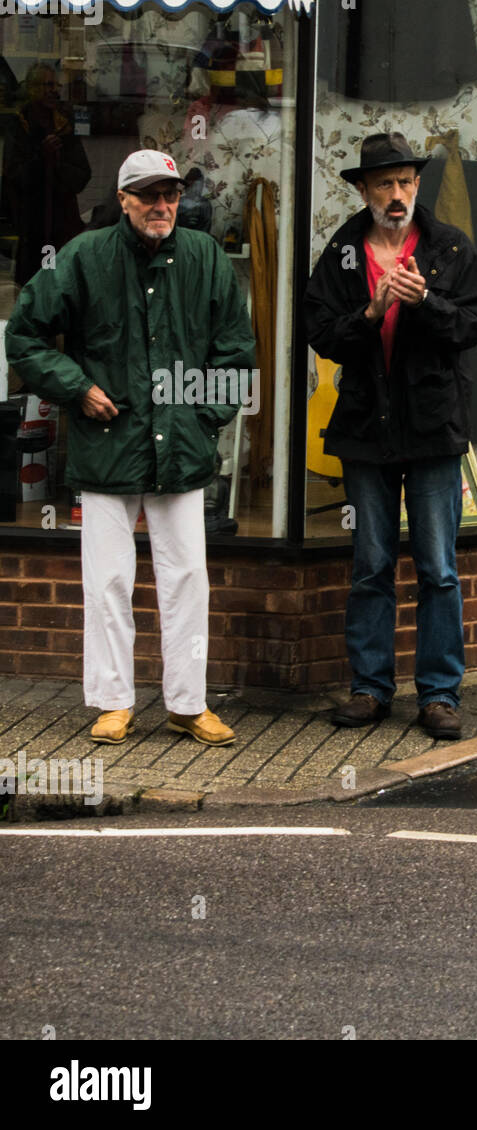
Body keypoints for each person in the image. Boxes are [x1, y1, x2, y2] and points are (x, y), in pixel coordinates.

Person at [5, 150, 254, 745]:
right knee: (108, 579)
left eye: (168, 194)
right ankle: (113, 701)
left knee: (188, 576)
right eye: (147, 195)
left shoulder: (205, 257)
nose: (161, 206)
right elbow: (24, 335)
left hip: (182, 450)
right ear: (122, 200)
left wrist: (201, 419)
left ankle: (188, 704)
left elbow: (236, 351)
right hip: (107, 445)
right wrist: (78, 388)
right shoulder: (85, 257)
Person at [304, 133, 477, 738]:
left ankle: (439, 695)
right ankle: (370, 688)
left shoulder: (448, 247)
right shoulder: (342, 253)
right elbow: (321, 333)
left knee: (438, 566)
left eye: (406, 181)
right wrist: (369, 312)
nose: (397, 194)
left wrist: (425, 303)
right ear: (363, 190)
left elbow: (475, 323)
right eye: (384, 183)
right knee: (372, 564)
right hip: (366, 429)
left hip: (433, 429)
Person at [2, 64, 91, 287]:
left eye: (57, 85)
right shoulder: (19, 126)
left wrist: (58, 163)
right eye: (48, 85)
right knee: (31, 286)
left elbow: (82, 175)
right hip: (31, 222)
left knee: (60, 284)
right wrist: (41, 158)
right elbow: (14, 176)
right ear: (32, 89)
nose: (54, 90)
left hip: (62, 222)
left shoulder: (64, 125)